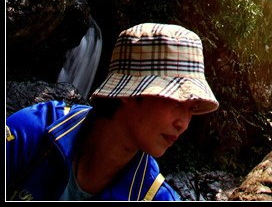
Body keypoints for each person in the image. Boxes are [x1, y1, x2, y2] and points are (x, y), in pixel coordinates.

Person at [6, 22, 219, 201]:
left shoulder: (154, 196)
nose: (183, 123)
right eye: (176, 102)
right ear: (129, 93)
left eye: (191, 109)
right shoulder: (31, 134)